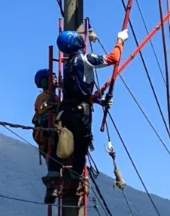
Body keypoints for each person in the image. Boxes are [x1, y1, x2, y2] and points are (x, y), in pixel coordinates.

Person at [50, 28, 128, 197]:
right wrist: (120, 41)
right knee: (80, 145)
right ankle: (74, 183)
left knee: (58, 143)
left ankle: (54, 183)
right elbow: (113, 58)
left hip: (65, 110)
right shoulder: (86, 59)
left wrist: (99, 101)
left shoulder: (66, 64)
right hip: (80, 112)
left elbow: (77, 92)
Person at [32, 68, 61, 203]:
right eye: (52, 77)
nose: (55, 79)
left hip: (52, 133)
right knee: (53, 157)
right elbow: (42, 109)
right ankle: (52, 187)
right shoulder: (43, 97)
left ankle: (55, 186)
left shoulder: (55, 97)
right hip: (47, 134)